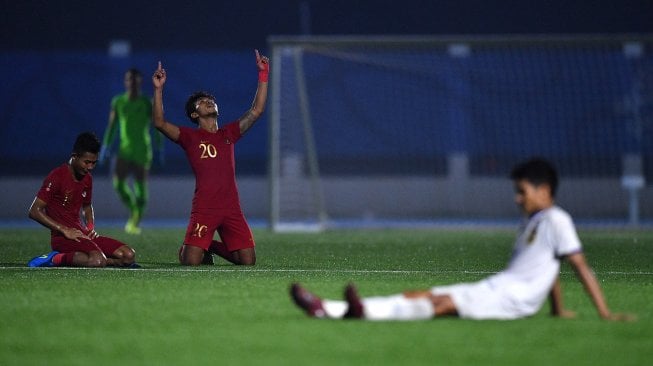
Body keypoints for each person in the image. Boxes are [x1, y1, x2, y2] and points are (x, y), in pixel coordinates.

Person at [291, 158, 633, 321]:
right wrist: (558, 311)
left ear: (544, 191)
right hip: (499, 286)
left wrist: (605, 314)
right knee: (423, 295)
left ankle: (358, 313)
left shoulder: (559, 219)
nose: (517, 198)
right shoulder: (534, 221)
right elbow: (550, 267)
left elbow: (579, 266)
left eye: (522, 191)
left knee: (441, 306)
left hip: (512, 301)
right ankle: (331, 309)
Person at [151, 49, 269, 266]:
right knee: (191, 263)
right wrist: (158, 90)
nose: (208, 102)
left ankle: (210, 245)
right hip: (205, 208)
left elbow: (257, 110)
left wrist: (263, 74)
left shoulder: (228, 134)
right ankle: (194, 248)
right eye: (203, 102)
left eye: (211, 100)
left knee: (248, 261)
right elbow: (159, 123)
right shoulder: (189, 137)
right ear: (194, 115)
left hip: (231, 207)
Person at [27, 132, 138, 268]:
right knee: (97, 261)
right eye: (87, 162)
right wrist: (64, 229)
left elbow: (87, 206)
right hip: (63, 237)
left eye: (94, 163)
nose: (90, 167)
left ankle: (94, 259)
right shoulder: (57, 176)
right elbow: (34, 211)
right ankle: (55, 258)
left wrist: (90, 227)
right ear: (74, 157)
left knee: (128, 255)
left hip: (81, 234)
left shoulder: (87, 178)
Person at [100, 68, 164, 235]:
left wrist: (159, 148)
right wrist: (105, 147)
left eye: (135, 80)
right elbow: (112, 126)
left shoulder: (146, 102)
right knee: (118, 184)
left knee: (140, 186)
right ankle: (134, 208)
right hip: (124, 149)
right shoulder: (118, 102)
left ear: (140, 82)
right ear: (125, 82)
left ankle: (134, 221)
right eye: (130, 80)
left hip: (143, 150)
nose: (133, 83)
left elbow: (157, 127)